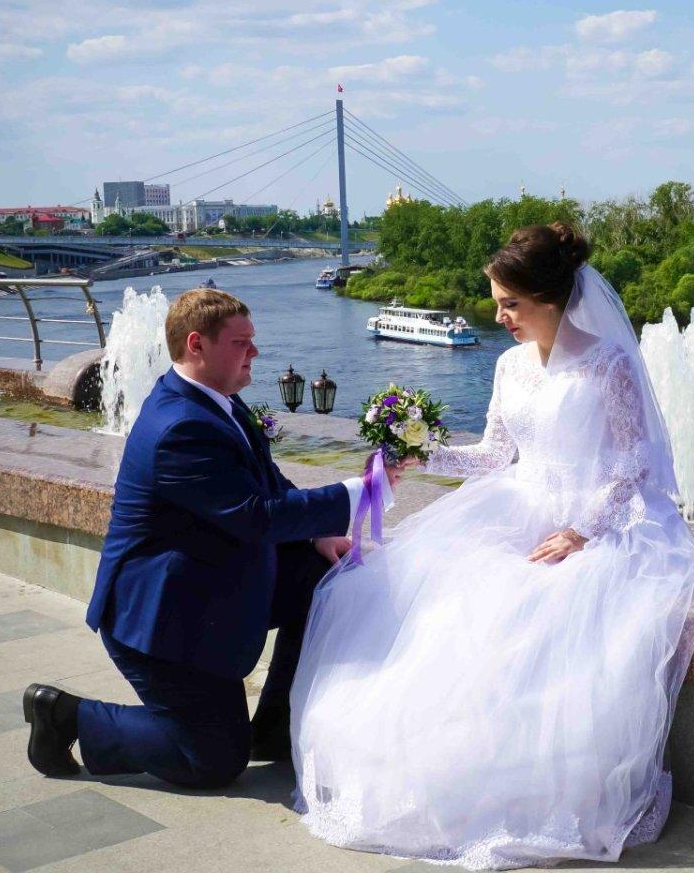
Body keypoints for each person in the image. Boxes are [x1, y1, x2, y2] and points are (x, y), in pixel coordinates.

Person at [291, 222, 694, 869]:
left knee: (533, 613)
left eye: (510, 303)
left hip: (602, 518)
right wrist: (421, 452)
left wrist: (582, 531)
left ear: (550, 298)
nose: (499, 316)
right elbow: (493, 456)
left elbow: (633, 461)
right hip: (519, 504)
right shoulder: (508, 365)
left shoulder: (609, 362)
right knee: (442, 603)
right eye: (496, 302)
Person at [22, 288, 412, 788]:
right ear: (196, 345)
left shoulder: (216, 401)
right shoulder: (180, 427)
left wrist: (318, 533)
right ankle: (65, 716)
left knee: (324, 574)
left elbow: (268, 483)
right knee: (213, 761)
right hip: (165, 621)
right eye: (241, 343)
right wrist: (361, 492)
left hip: (210, 584)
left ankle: (274, 728)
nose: (255, 352)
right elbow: (256, 517)